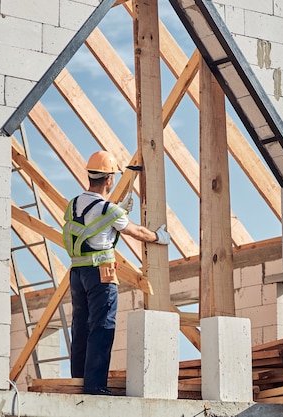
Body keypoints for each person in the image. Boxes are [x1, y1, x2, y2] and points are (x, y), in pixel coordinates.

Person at [63, 150, 170, 395]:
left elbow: (91, 225)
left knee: (80, 327)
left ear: (90, 175)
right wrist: (159, 237)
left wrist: (118, 210)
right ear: (109, 179)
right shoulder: (108, 210)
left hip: (77, 273)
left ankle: (79, 380)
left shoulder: (75, 204)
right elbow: (136, 232)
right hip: (101, 274)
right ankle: (96, 386)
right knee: (102, 327)